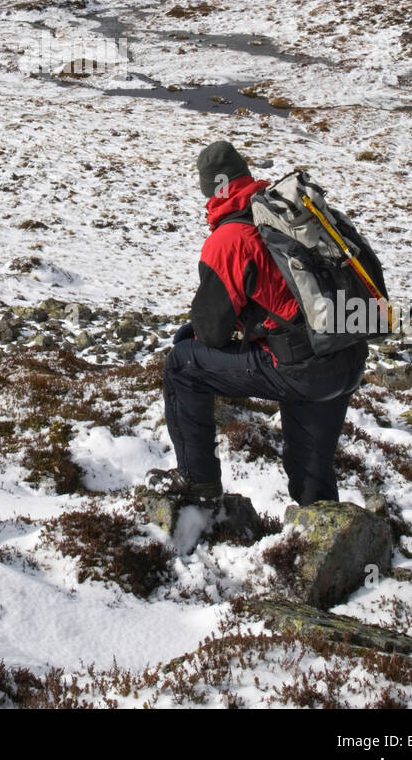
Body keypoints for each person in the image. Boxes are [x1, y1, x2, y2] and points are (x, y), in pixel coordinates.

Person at [149, 140, 367, 509]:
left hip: (302, 369)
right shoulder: (292, 216)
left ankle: (197, 481)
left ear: (212, 188)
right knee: (311, 475)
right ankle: (321, 527)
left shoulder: (230, 239)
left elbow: (212, 331)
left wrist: (209, 331)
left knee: (182, 364)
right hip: (345, 354)